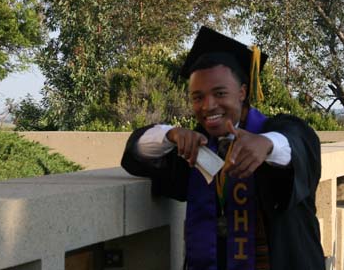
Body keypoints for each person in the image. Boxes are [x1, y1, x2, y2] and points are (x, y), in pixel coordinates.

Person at [121, 26, 325, 270]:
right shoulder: (197, 147)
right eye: (197, 97)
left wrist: (266, 145)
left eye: (219, 93)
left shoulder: (282, 130)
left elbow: (296, 145)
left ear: (242, 92)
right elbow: (138, 151)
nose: (208, 106)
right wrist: (170, 134)